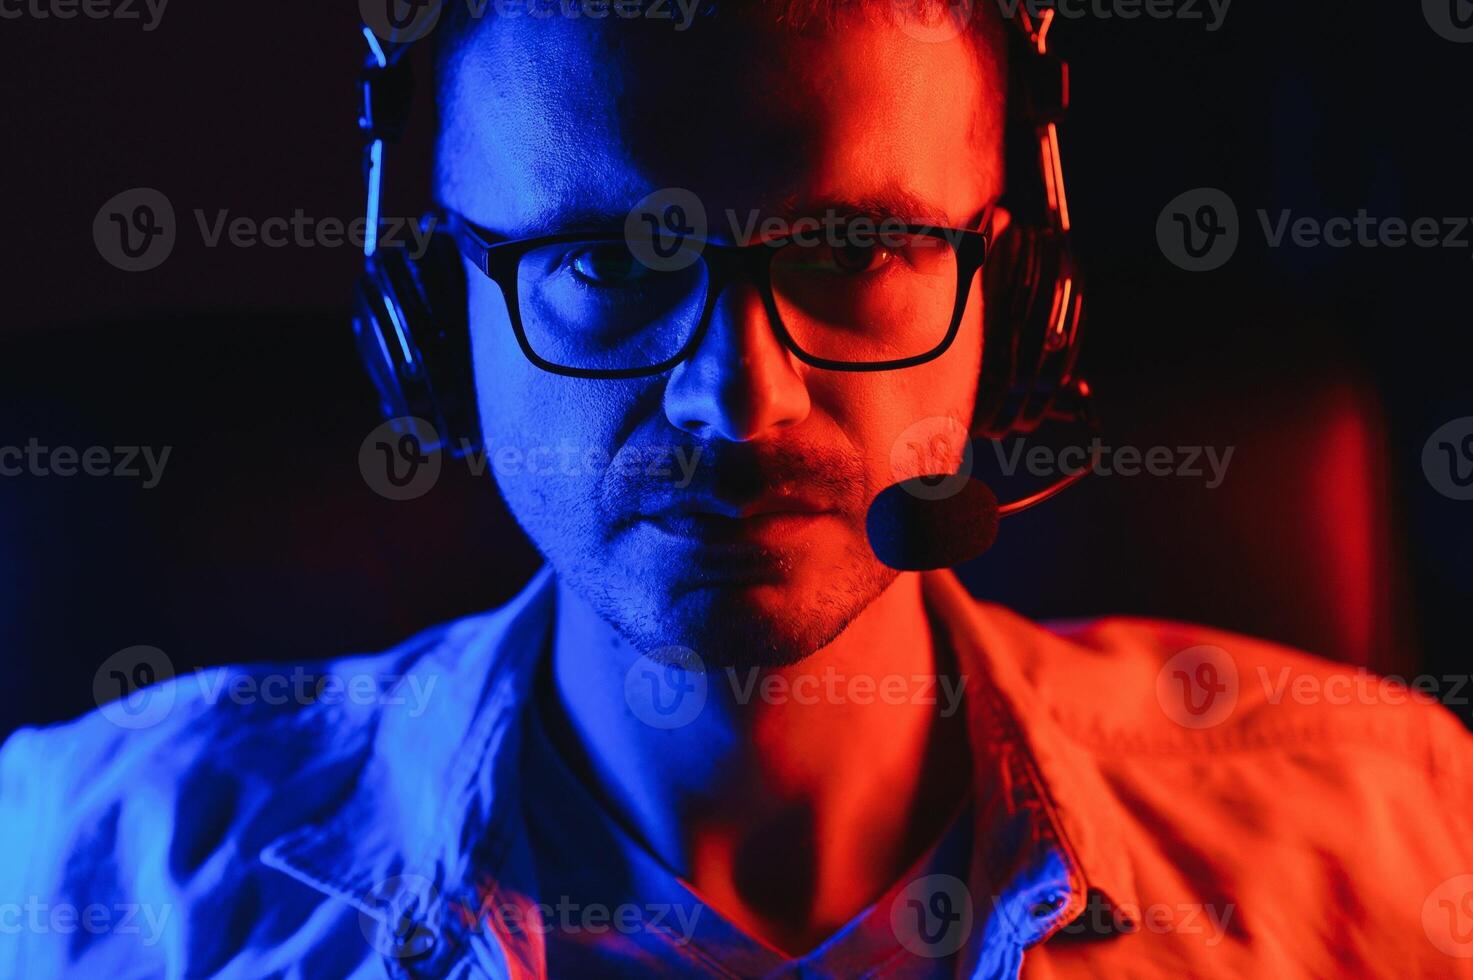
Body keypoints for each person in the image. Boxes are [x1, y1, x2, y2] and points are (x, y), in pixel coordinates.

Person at [3, 2, 1471, 977]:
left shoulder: (1399, 843)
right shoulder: (76, 873)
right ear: (426, 310)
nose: (738, 400)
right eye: (607, 263)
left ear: (1022, 298)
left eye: (851, 249)